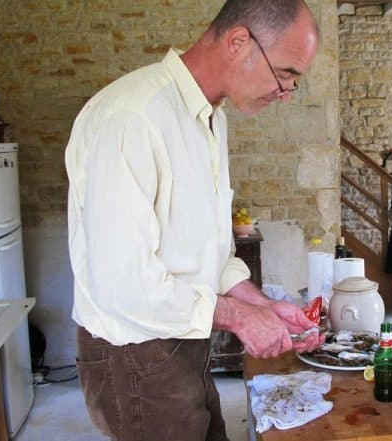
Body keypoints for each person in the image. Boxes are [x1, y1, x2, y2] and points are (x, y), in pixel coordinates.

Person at [64, 1, 322, 440]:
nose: (285, 93)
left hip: (184, 338)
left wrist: (261, 306)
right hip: (135, 355)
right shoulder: (133, 116)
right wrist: (241, 319)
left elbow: (210, 249)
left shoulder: (209, 117)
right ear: (239, 42)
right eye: (286, 74)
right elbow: (124, 285)